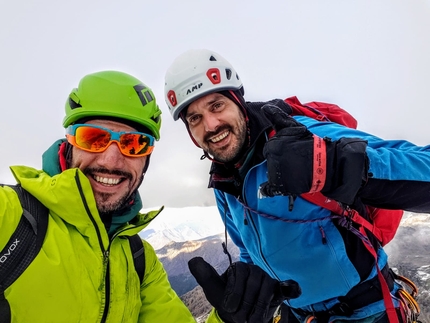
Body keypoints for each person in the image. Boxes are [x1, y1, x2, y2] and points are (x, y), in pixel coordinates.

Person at [164, 49, 430, 322]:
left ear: (239, 103)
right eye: (194, 118)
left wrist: (337, 167)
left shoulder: (302, 139)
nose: (210, 124)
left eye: (217, 105)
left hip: (367, 310)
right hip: (297, 315)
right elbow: (248, 250)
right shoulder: (223, 182)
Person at [0, 70, 246, 323]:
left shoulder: (139, 260)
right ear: (69, 142)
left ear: (146, 159)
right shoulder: (11, 217)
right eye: (93, 138)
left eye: (134, 144)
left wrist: (230, 320)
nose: (111, 160)